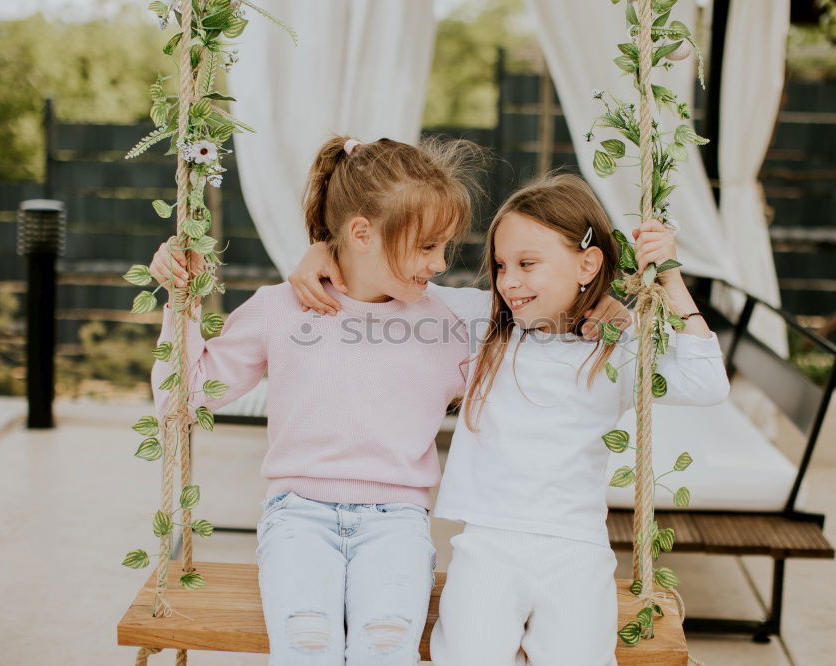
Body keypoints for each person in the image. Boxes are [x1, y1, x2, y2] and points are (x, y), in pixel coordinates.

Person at [149, 135, 478, 665]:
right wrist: (181, 298)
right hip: (298, 517)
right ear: (362, 233)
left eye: (445, 247)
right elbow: (181, 399)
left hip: (397, 521)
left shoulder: (449, 325)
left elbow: (536, 335)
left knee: (385, 650)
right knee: (306, 648)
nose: (440, 263)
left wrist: (599, 306)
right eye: (426, 246)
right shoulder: (280, 309)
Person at [430, 174, 730, 666]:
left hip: (575, 549)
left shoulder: (616, 346)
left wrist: (671, 279)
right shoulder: (485, 327)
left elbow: (707, 383)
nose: (508, 281)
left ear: (587, 263)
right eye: (502, 265)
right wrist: (321, 255)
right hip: (487, 541)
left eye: (527, 264)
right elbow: (394, 284)